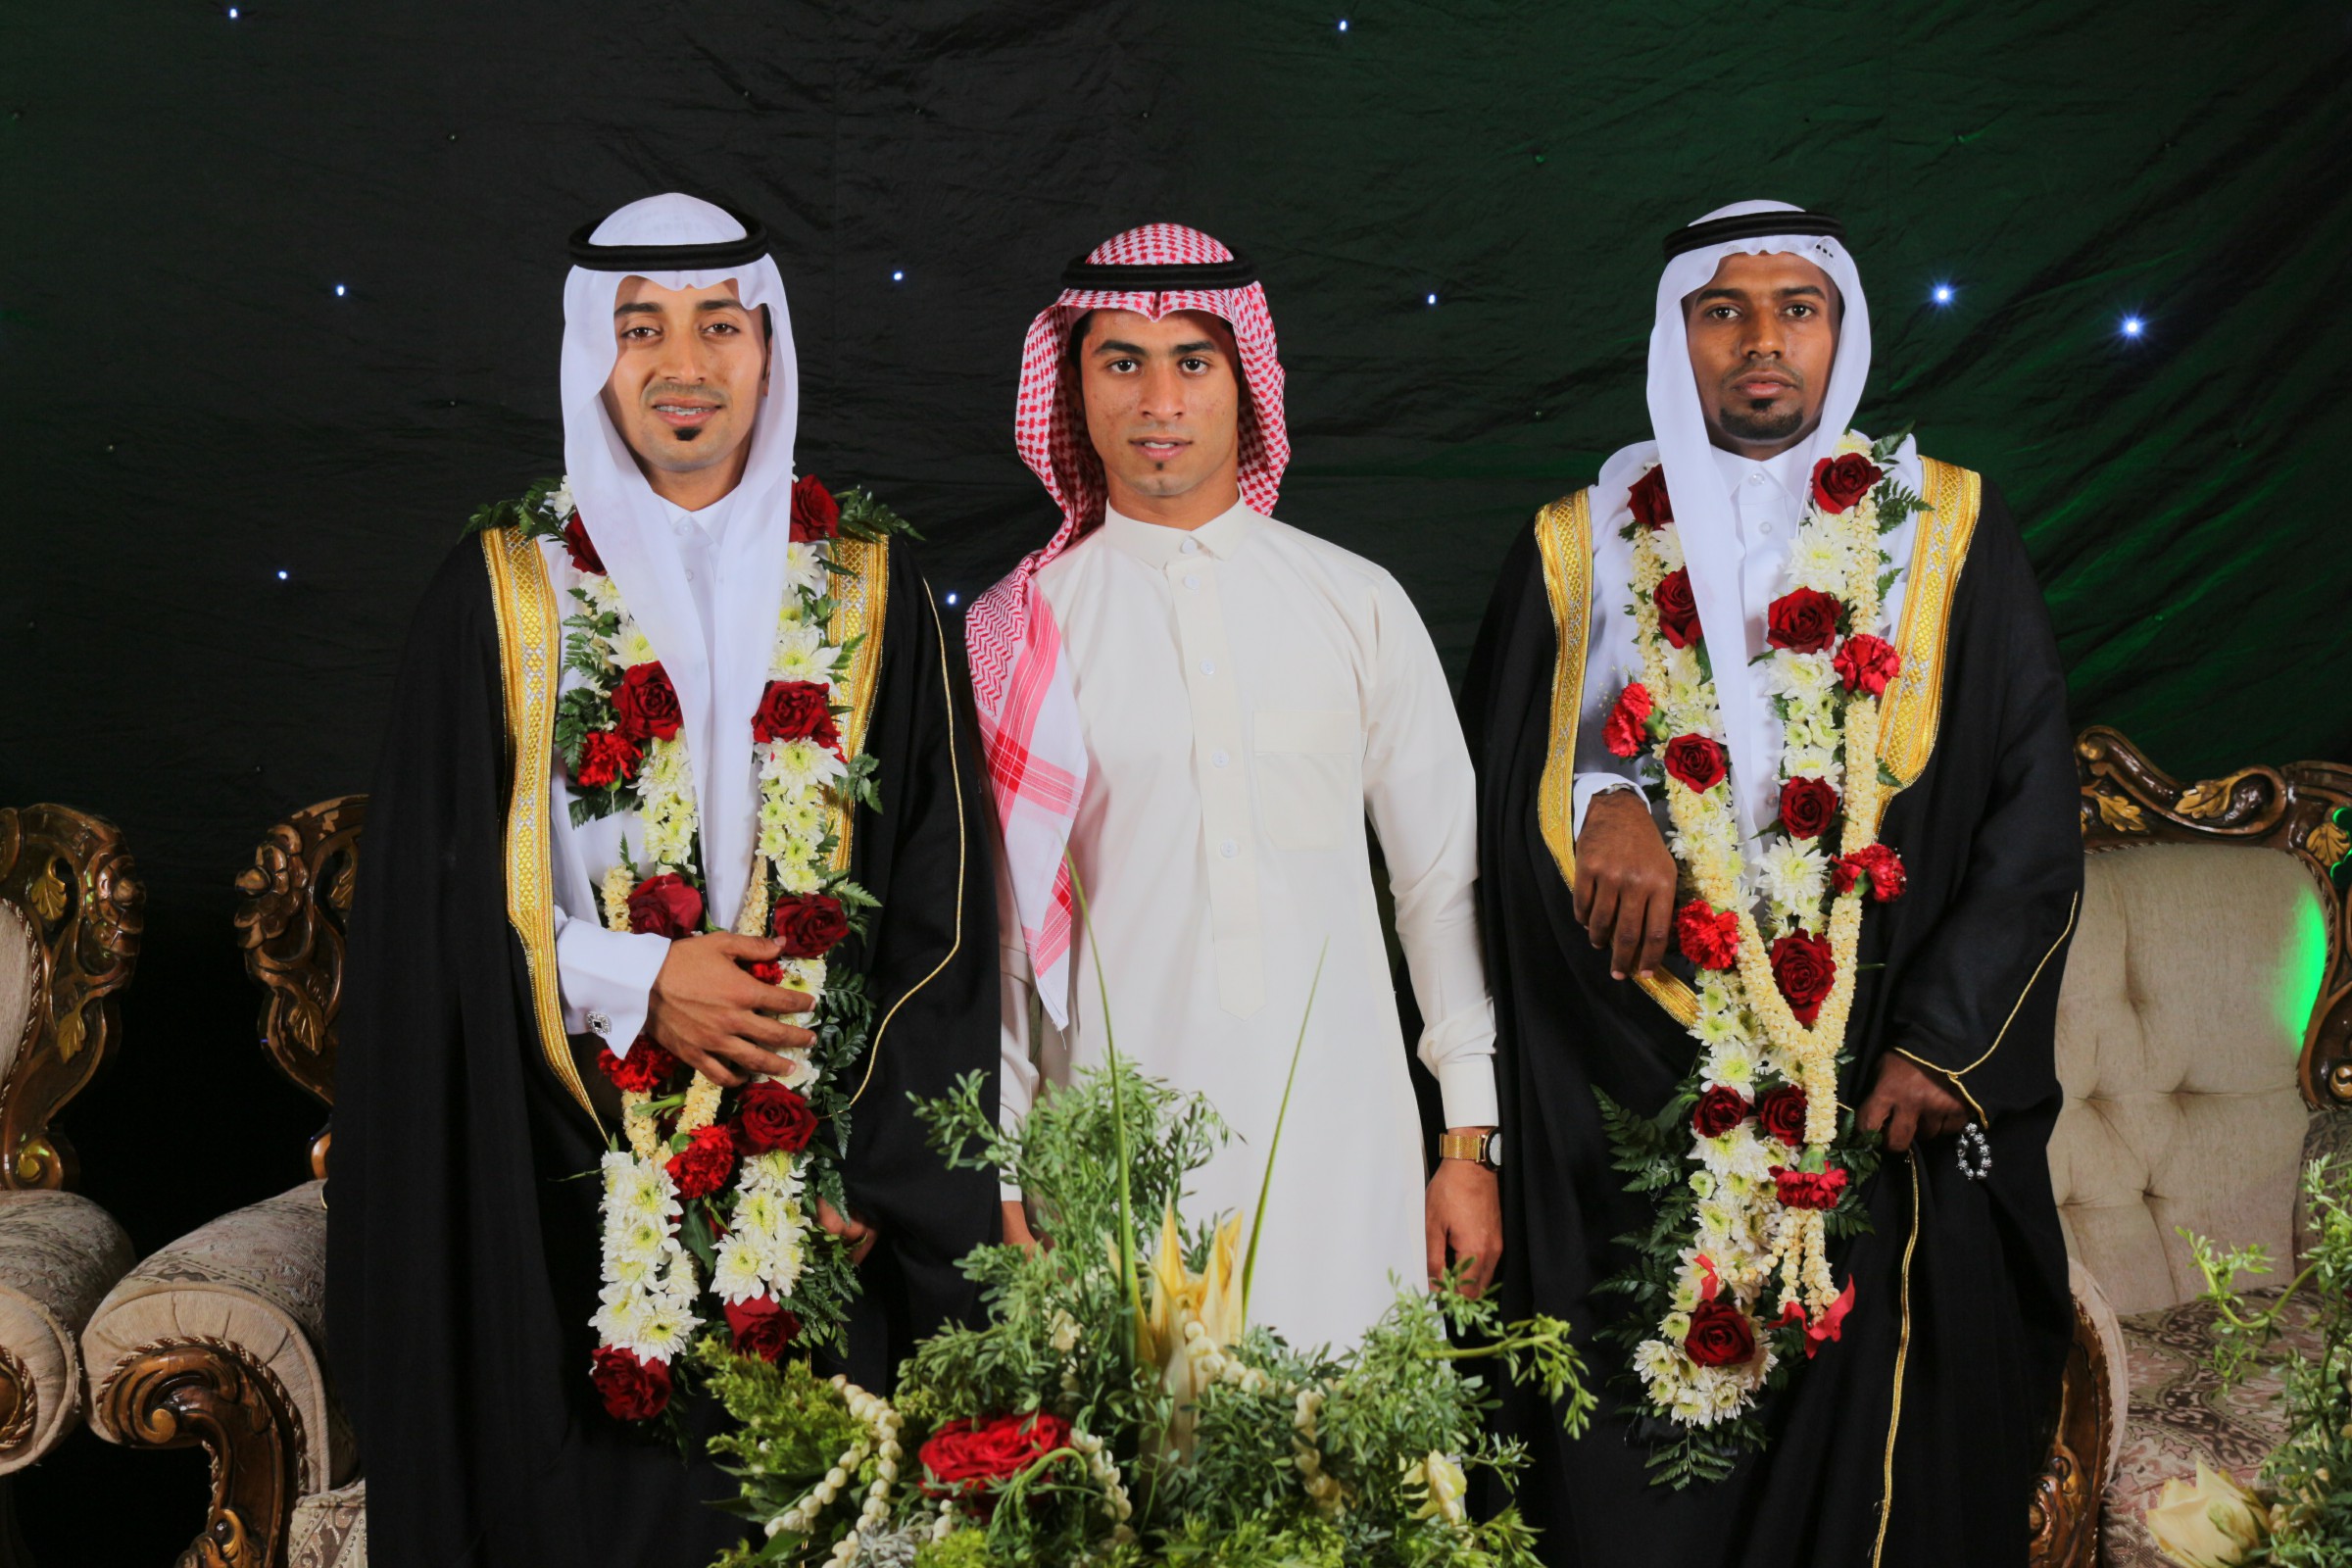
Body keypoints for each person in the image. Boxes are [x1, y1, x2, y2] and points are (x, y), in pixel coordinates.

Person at [327, 193, 998, 1565]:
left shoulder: (871, 586)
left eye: (718, 326)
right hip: (559, 1160)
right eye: (643, 330)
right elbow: (424, 905)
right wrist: (640, 979)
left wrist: (871, 1161)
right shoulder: (499, 593)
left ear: (769, 348)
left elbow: (941, 913)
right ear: (595, 352)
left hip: (820, 1183)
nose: (683, 366)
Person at [1462, 200, 2079, 1566]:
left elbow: (2032, 805)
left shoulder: (1944, 526)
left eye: (1797, 308)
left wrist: (1948, 1038)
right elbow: (1495, 784)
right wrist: (1604, 797)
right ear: (1675, 334)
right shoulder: (1583, 539)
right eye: (1723, 311)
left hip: (1880, 1063)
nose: (1761, 341)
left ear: (1839, 332)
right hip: (1640, 1057)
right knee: (1635, 1445)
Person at [967, 223, 1502, 1353]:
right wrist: (1003, 1171)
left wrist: (1468, 1138)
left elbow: (1439, 886)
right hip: (1111, 1155)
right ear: (1073, 386)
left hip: (1345, 1148)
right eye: (1122, 361)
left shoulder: (1357, 602)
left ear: (1246, 381)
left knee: (1357, 1442)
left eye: (1194, 361)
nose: (1159, 400)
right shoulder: (1021, 633)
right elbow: (1003, 944)